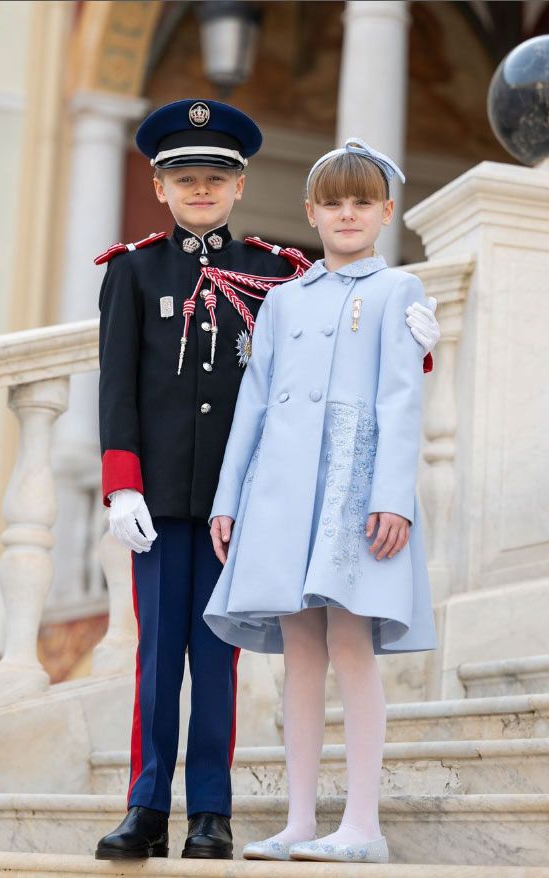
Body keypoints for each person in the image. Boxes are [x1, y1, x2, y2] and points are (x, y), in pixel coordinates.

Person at [95, 102, 440, 862]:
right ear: (159, 186)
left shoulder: (272, 272)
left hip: (265, 502)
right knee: (157, 658)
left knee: (220, 659)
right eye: (184, 178)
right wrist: (122, 484)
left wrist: (420, 352)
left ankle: (210, 814)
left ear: (241, 184)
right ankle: (147, 804)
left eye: (214, 178)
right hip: (176, 499)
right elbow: (118, 385)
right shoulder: (134, 270)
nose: (200, 190)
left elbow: (373, 373)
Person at [204, 139, 438, 865]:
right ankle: (299, 820)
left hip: (352, 489)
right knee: (297, 653)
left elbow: (402, 401)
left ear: (385, 212)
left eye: (360, 202)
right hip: (280, 490)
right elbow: (252, 402)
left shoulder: (398, 292)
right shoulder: (279, 300)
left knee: (350, 645)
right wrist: (229, 497)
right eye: (332, 202)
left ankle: (361, 824)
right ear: (310, 211)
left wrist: (392, 497)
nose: (345, 214)